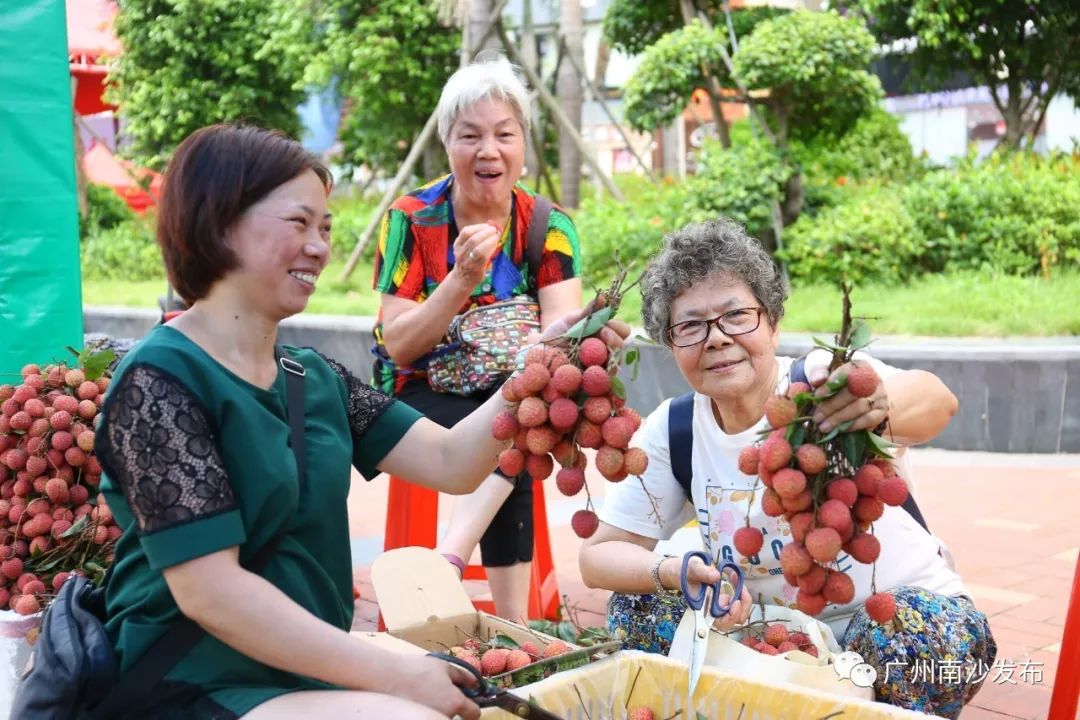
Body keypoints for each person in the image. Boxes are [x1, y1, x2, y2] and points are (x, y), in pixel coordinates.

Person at [94, 124, 626, 720]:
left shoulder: (312, 376)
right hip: (192, 682)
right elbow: (211, 593)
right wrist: (397, 672)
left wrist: (543, 362)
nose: (319, 247)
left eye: (324, 228)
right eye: (299, 223)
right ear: (220, 224)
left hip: (311, 674)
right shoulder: (159, 381)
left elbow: (450, 461)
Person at [578, 219, 996, 719]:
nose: (716, 338)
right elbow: (598, 557)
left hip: (900, 623)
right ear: (671, 346)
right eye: (690, 326)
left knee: (900, 635)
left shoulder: (819, 382)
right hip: (782, 640)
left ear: (773, 324)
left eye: (737, 315)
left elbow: (938, 401)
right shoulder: (674, 429)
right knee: (638, 607)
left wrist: (874, 406)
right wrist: (677, 571)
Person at [371, 55, 582, 620]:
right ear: (447, 143)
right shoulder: (410, 219)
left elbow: (562, 341)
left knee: (514, 419)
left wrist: (575, 334)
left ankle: (456, 564)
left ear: (523, 145)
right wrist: (461, 279)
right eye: (470, 136)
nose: (488, 150)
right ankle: (513, 624)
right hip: (418, 389)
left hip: (512, 392)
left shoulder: (548, 226)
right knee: (512, 429)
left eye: (504, 135)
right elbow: (399, 346)